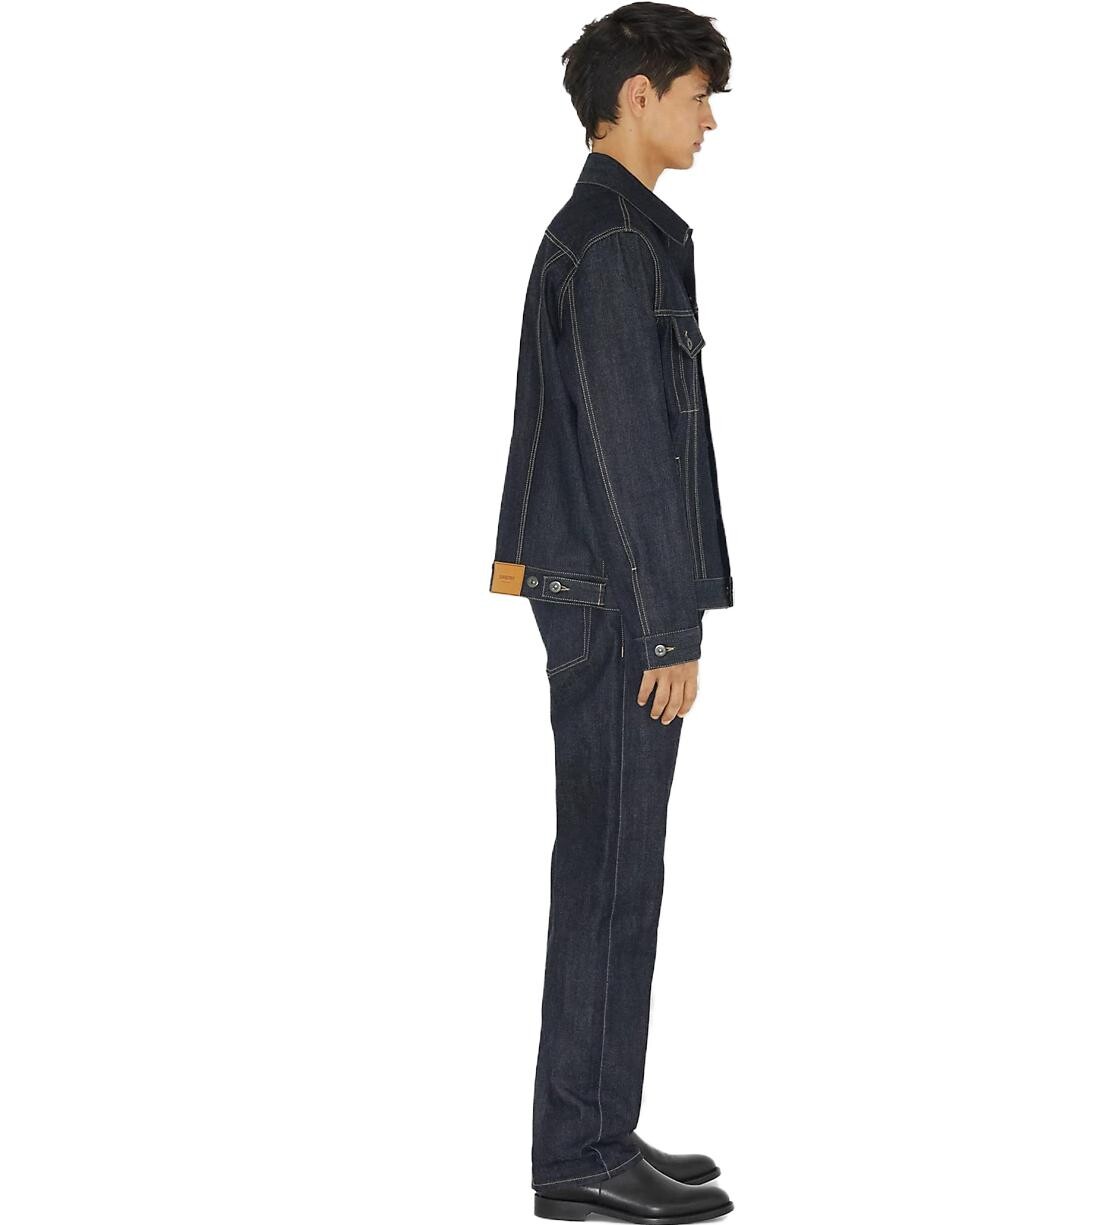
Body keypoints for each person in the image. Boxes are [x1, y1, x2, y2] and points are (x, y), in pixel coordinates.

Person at [488, 5, 736, 1220]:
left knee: (615, 867)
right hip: (618, 608)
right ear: (635, 97)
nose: (708, 123)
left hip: (602, 596)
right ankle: (581, 1157)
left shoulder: (610, 235)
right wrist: (667, 628)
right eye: (697, 97)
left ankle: (596, 1127)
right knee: (610, 871)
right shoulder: (615, 245)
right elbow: (629, 454)